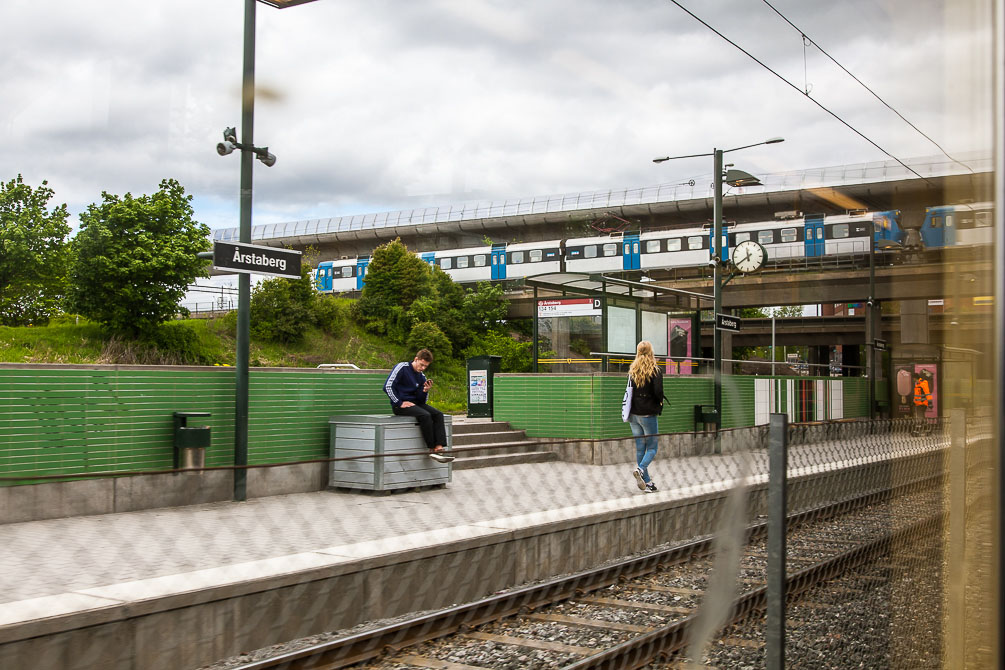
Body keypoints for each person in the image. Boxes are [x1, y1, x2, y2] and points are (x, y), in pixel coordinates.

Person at [384, 348, 454, 463]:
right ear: (416, 359)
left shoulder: (422, 376)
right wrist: (399, 402)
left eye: (425, 366)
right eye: (421, 365)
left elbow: (422, 401)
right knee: (425, 415)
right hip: (400, 406)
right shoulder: (402, 367)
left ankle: (439, 447)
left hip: (415, 404)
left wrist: (425, 390)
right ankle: (431, 449)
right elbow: (387, 386)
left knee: (438, 414)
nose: (422, 368)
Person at [626, 340, 664, 492]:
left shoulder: (632, 370)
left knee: (640, 448)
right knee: (652, 447)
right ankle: (641, 470)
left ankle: (647, 483)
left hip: (633, 414)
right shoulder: (655, 370)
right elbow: (658, 392)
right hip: (648, 414)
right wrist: (659, 404)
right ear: (651, 352)